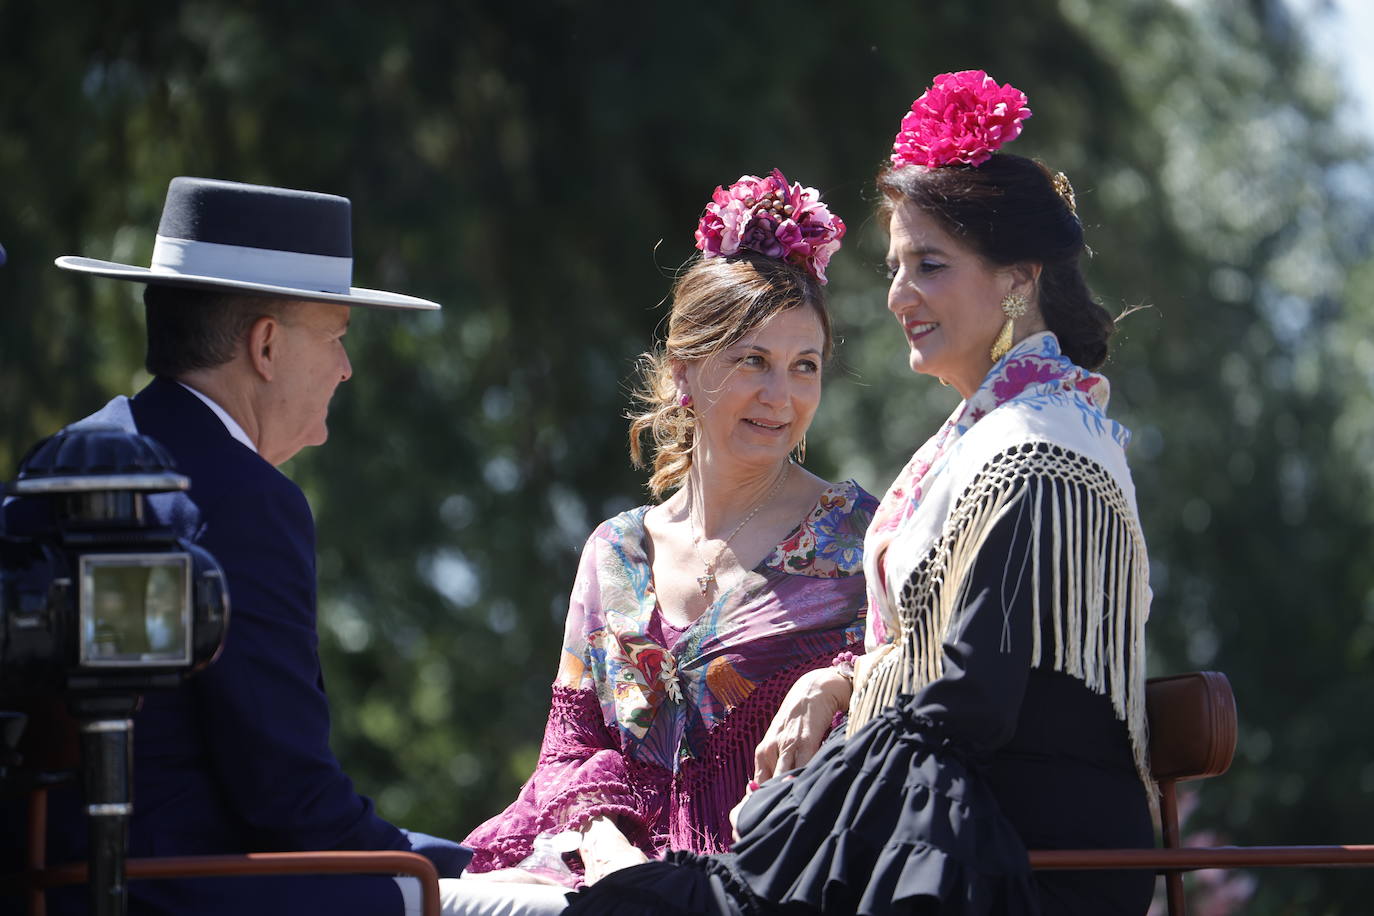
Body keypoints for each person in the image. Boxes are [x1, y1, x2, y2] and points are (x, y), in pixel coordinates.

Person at [561, 70, 1156, 916]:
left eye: (930, 265)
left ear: (1018, 281)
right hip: (960, 824)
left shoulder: (1037, 446)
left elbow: (966, 704)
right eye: (895, 266)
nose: (898, 296)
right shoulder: (1002, 435)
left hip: (1017, 855)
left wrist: (838, 697)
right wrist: (840, 689)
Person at [6, 177, 471, 916]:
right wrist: (462, 866)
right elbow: (289, 798)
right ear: (265, 345)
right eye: (338, 337)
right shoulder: (243, 500)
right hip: (173, 893)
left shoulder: (56, 461)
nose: (346, 368)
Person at [449, 170, 874, 915]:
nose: (782, 395)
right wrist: (612, 851)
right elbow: (569, 750)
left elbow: (914, 695)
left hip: (781, 880)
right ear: (685, 372)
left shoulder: (859, 536)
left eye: (804, 366)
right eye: (753, 360)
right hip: (615, 877)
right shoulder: (615, 553)